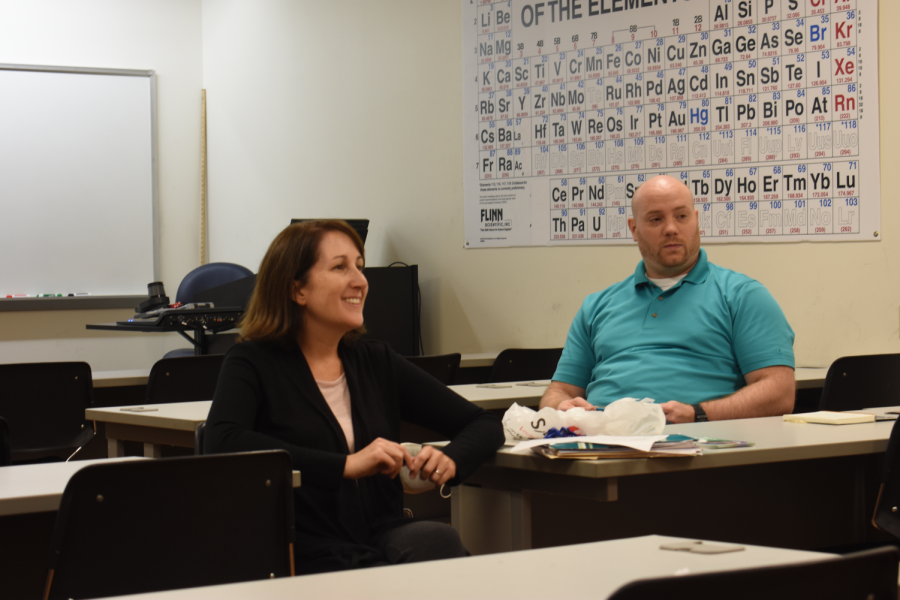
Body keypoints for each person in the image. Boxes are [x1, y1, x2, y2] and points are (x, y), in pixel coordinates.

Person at [204, 220, 503, 574]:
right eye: (339, 267)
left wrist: (450, 460)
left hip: (378, 536)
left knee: (438, 541)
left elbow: (482, 423)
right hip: (303, 546)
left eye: (359, 267)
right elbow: (222, 440)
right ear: (297, 289)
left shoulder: (375, 360)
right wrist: (346, 466)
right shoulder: (252, 361)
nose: (360, 281)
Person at [540, 175, 795, 423]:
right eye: (655, 219)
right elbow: (559, 391)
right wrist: (560, 406)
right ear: (634, 229)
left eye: (681, 216)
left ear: (696, 221)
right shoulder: (596, 306)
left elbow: (779, 392)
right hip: (601, 443)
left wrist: (698, 413)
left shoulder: (742, 295)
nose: (671, 229)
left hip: (696, 446)